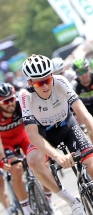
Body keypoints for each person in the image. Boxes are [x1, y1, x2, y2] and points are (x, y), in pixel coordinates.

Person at [20, 55, 93, 215]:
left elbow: (84, 113)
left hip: (67, 127)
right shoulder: (26, 96)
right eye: (40, 83)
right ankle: (72, 202)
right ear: (30, 83)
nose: (46, 86)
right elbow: (32, 135)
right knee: (33, 161)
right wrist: (57, 156)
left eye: (48, 79)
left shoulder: (60, 82)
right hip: (44, 134)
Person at [0, 83, 62, 215]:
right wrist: (2, 159)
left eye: (12, 99)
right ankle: (26, 210)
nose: (10, 104)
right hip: (6, 144)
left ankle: (49, 201)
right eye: (6, 102)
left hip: (24, 138)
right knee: (16, 170)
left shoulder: (20, 105)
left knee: (43, 161)